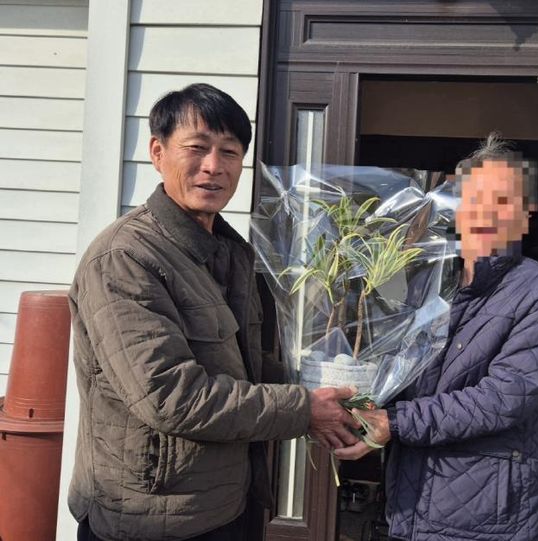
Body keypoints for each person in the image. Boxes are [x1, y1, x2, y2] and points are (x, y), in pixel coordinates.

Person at [68, 83, 358, 541]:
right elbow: (170, 396)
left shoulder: (230, 251)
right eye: (197, 148)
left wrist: (333, 388)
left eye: (229, 152)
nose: (213, 166)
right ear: (158, 152)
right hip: (153, 517)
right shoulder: (125, 258)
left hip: (226, 502)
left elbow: (247, 367)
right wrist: (304, 409)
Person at [335, 134, 538, 541]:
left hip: (490, 520)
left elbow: (502, 399)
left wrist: (394, 422)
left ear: (526, 212)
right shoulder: (430, 284)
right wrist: (354, 398)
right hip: (410, 506)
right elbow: (400, 373)